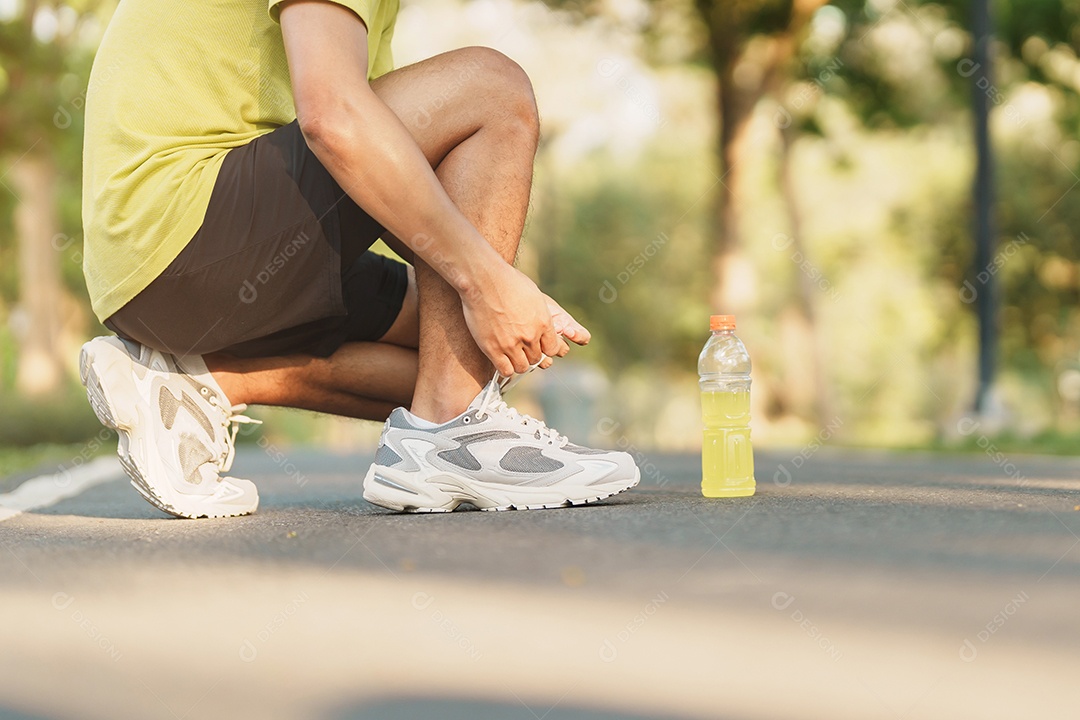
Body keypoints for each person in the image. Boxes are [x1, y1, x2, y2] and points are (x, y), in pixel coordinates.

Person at [78, 0, 640, 518]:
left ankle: (211, 382)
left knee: (461, 351)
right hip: (184, 231)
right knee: (492, 88)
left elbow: (389, 180)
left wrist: (508, 296)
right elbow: (335, 120)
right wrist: (487, 283)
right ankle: (452, 432)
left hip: (164, 270)